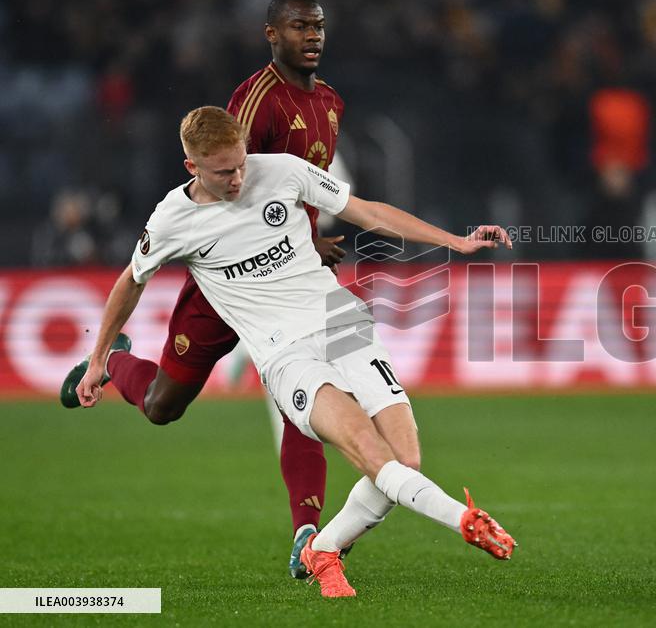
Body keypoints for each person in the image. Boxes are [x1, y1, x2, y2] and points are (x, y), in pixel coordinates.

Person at [72, 105, 516, 598]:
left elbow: (366, 211)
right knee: (368, 453)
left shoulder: (281, 170)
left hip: (341, 320)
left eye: (241, 163)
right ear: (192, 168)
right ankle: (464, 521)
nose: (239, 177)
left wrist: (455, 240)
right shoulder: (173, 219)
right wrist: (97, 357)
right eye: (224, 172)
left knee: (405, 458)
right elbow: (131, 281)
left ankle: (321, 549)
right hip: (285, 354)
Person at [59, 0, 346, 579]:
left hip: (289, 281)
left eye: (317, 26)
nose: (311, 36)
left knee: (301, 402)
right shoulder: (255, 100)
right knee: (164, 406)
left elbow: (296, 191)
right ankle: (116, 363)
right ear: (271, 33)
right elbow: (229, 182)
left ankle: (308, 535)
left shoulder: (333, 104)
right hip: (227, 280)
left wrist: (305, 243)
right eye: (298, 27)